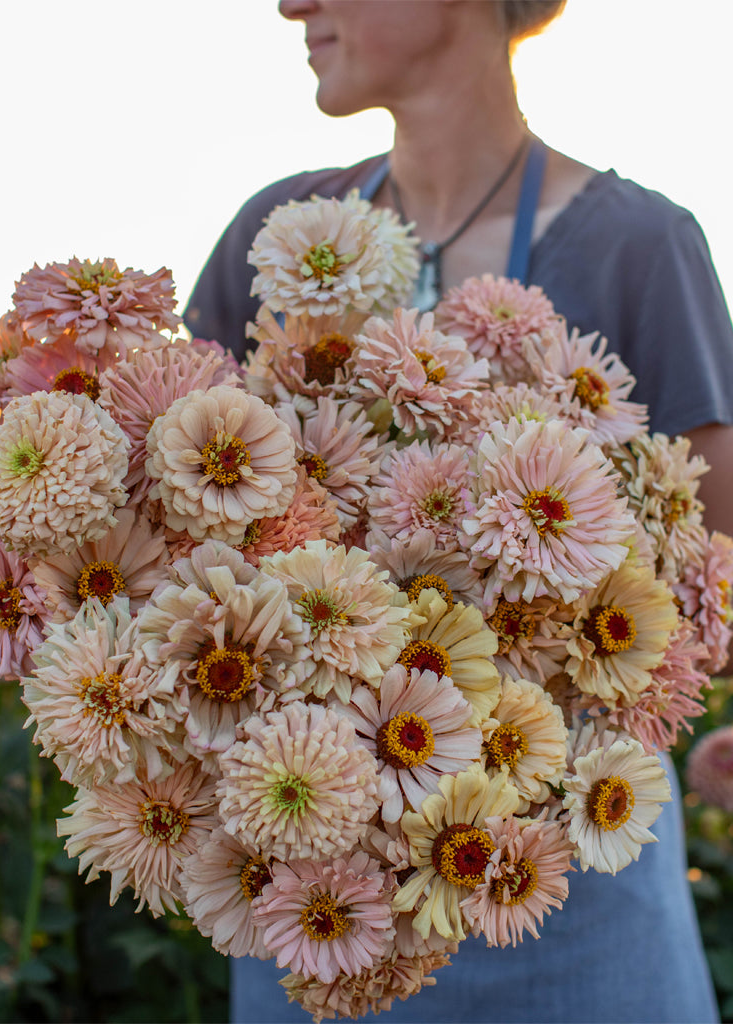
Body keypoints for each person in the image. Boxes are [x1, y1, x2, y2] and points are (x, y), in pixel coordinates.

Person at [184, 2, 733, 1020]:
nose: (291, 3)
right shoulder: (271, 239)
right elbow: (164, 521)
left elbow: (719, 565)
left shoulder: (637, 247)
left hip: (567, 893)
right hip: (316, 911)